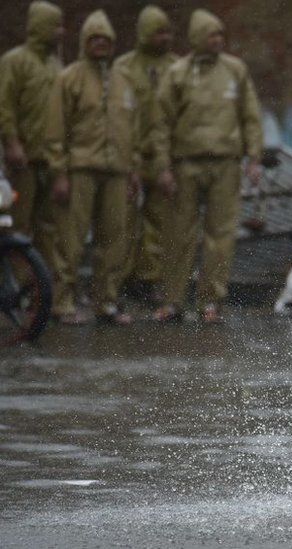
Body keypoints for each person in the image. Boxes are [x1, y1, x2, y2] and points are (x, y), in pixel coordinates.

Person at [153, 9, 263, 324]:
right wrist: (162, 166)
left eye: (220, 35)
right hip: (185, 163)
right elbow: (161, 123)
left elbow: (250, 115)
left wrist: (253, 156)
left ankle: (209, 302)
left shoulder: (235, 70)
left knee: (221, 235)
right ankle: (172, 300)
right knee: (179, 233)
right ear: (198, 38)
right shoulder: (178, 73)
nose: (218, 41)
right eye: (212, 35)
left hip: (226, 164)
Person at [45, 10, 143, 325]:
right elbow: (55, 129)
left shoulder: (123, 81)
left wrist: (133, 170)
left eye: (106, 39)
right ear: (85, 42)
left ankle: (107, 303)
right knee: (70, 240)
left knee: (114, 240)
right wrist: (59, 172)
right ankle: (62, 302)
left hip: (116, 170)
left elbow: (133, 129)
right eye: (95, 38)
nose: (101, 43)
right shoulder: (69, 78)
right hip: (79, 169)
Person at [114, 5, 178, 301]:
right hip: (130, 156)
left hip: (164, 156)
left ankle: (149, 280)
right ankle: (119, 279)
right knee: (123, 220)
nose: (164, 38)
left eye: (167, 31)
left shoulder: (176, 67)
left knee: (160, 221)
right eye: (158, 32)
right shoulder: (124, 68)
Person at [0, 1, 64, 267]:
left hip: (50, 161)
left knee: (48, 228)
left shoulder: (57, 66)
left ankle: (40, 292)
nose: (62, 32)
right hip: (23, 161)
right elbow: (5, 106)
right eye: (56, 26)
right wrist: (12, 143)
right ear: (41, 26)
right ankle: (14, 289)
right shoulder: (15, 61)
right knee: (17, 225)